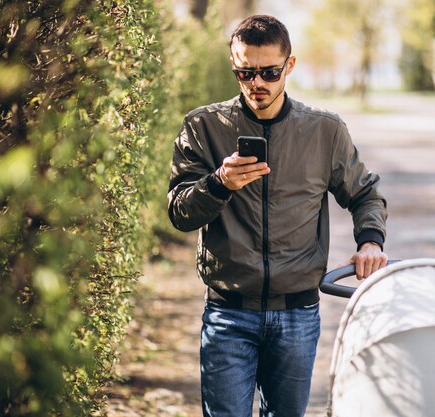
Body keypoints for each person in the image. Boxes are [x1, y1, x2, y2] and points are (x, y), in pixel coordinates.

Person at [167, 14, 388, 417]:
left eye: (269, 71)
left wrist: (370, 241)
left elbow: (366, 194)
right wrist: (218, 184)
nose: (257, 83)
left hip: (297, 316)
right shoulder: (202, 127)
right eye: (245, 72)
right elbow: (179, 212)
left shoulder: (325, 131)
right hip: (227, 312)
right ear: (233, 67)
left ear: (290, 65)